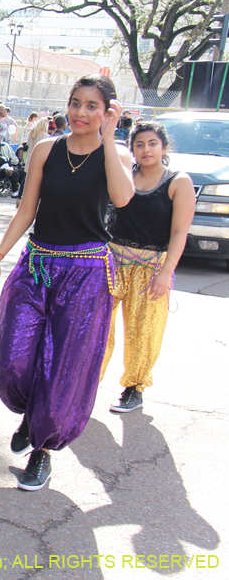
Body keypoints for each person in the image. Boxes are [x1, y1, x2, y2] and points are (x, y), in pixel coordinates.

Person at [0, 74, 135, 492]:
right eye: (75, 103)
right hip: (37, 266)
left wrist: (108, 140)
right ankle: (31, 416)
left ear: (107, 112)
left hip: (87, 274)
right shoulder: (46, 150)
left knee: (63, 368)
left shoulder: (116, 154)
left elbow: (122, 199)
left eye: (92, 105)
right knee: (13, 358)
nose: (81, 112)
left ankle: (42, 450)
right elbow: (27, 208)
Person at [100, 122, 194, 413]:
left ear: (164, 147)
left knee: (143, 331)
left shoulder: (178, 182)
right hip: (111, 263)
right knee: (96, 327)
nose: (146, 150)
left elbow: (180, 232)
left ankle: (134, 388)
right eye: (139, 144)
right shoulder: (124, 175)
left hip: (151, 268)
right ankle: (85, 382)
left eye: (152, 143)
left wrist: (166, 273)